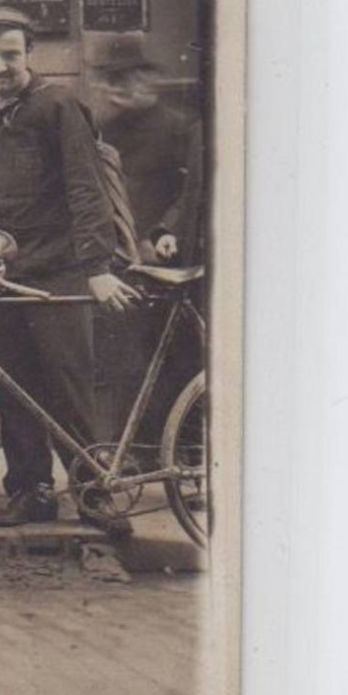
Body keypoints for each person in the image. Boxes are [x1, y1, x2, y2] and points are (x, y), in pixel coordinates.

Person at [0, 7, 136, 532]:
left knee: (68, 383)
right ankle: (32, 491)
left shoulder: (59, 106)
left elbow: (85, 187)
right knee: (12, 387)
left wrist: (96, 266)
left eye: (11, 54)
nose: (1, 66)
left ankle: (96, 491)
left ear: (30, 53)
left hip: (58, 270)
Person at [87, 34, 207, 445]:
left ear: (147, 79)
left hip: (167, 262)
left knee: (175, 358)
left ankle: (184, 453)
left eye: (127, 78)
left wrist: (165, 231)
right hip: (119, 263)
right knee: (122, 362)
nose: (119, 88)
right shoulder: (101, 131)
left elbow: (191, 193)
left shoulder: (179, 128)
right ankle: (130, 453)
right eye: (110, 79)